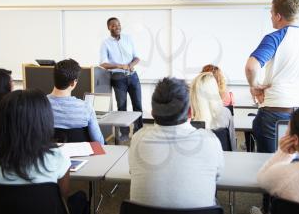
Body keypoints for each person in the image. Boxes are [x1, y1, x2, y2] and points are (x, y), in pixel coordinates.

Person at [129, 77, 224, 208]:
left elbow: (131, 172)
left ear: (152, 112)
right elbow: (217, 177)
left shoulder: (137, 139)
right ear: (190, 111)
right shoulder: (210, 140)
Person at [245, 0, 299, 153]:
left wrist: (254, 86)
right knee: (295, 162)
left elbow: (251, 67)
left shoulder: (275, 37)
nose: (271, 16)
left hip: (273, 114)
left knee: (267, 163)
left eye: (271, 13)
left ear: (278, 16)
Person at [100, 17, 143, 141]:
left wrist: (130, 65)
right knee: (122, 107)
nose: (117, 27)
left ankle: (138, 131)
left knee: (138, 105)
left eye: (118, 24)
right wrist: (119, 65)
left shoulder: (128, 38)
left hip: (133, 77)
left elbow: (137, 58)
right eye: (113, 25)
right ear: (109, 28)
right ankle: (124, 134)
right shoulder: (105, 43)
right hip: (118, 78)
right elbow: (103, 64)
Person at [48, 59, 104, 145]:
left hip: (49, 155)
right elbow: (99, 142)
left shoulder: (39, 105)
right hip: (82, 157)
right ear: (73, 83)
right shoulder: (86, 107)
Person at [190, 72, 236, 150]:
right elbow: (232, 145)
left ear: (194, 94)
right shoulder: (226, 113)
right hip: (224, 159)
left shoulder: (188, 121)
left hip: (198, 160)